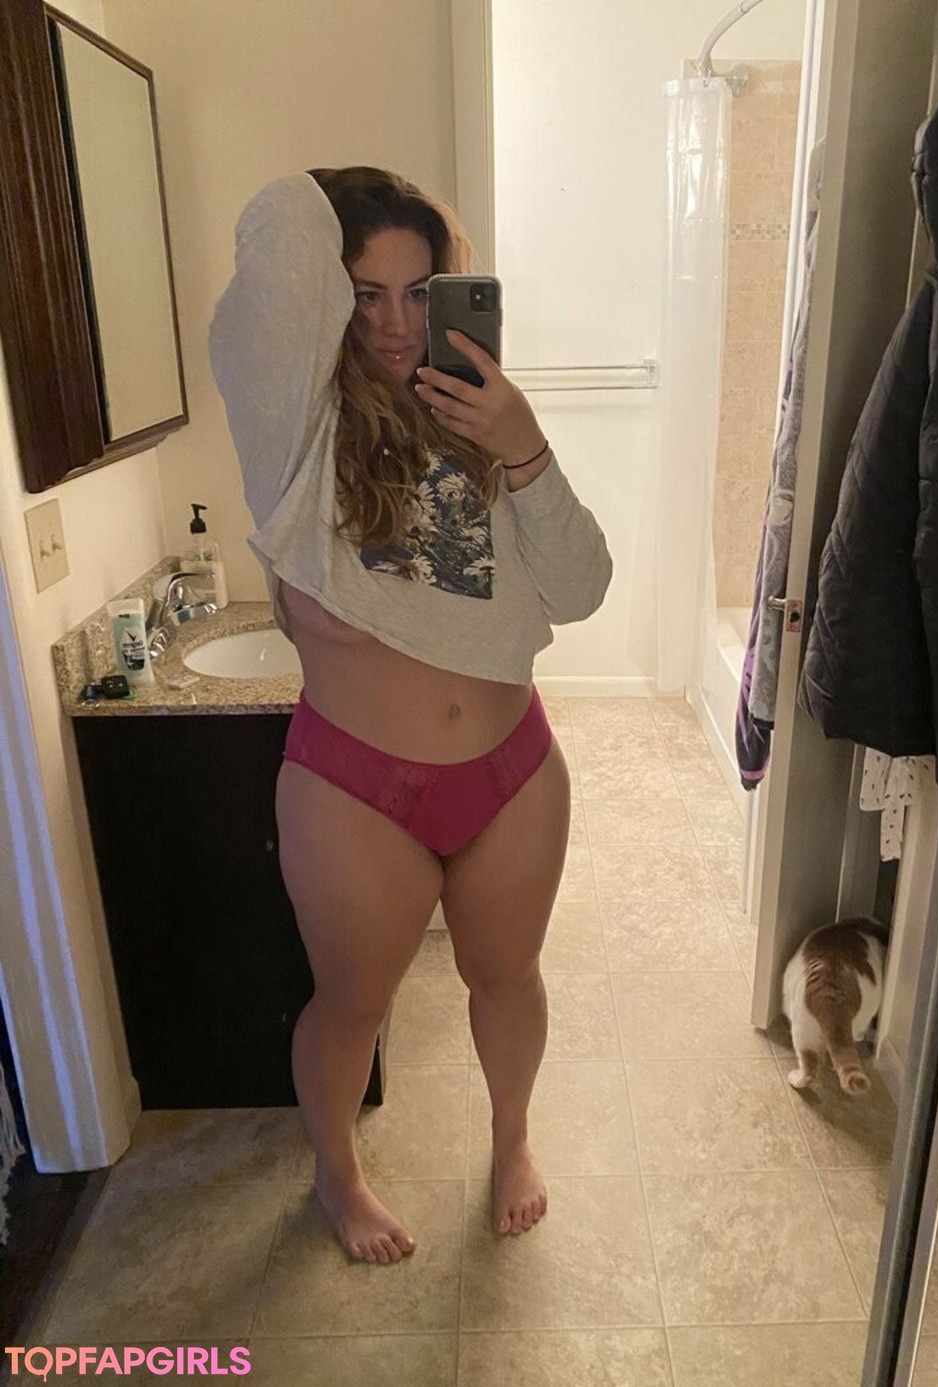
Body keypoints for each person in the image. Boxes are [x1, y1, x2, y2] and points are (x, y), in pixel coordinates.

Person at [209, 167, 612, 1266]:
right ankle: (338, 1175)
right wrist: (351, 196)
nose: (395, 323)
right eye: (364, 294)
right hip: (354, 785)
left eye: (419, 291)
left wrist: (523, 441)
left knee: (508, 979)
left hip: (511, 769)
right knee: (351, 1005)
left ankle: (513, 1140)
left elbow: (581, 590)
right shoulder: (295, 433)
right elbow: (280, 229)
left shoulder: (484, 419)